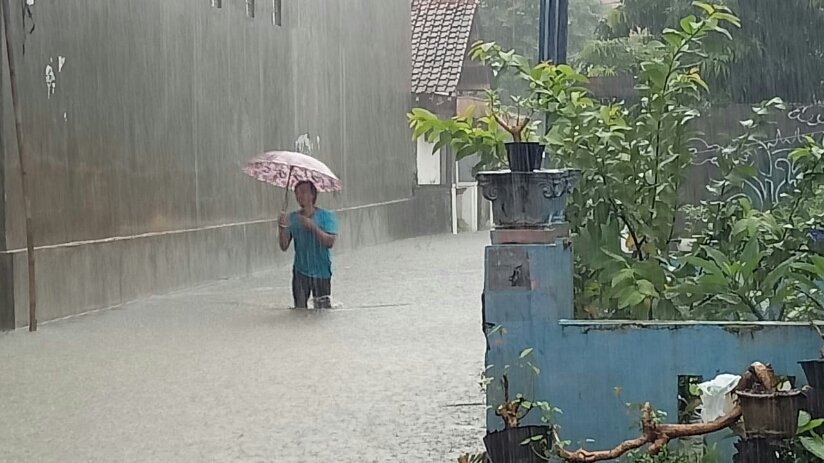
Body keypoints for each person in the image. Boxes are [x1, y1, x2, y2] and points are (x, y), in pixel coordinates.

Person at [278, 180, 339, 309]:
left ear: (313, 195)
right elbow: (284, 246)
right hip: (300, 271)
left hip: (321, 272)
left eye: (304, 192)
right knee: (299, 311)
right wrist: (281, 228)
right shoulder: (292, 218)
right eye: (297, 193)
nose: (300, 196)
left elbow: (330, 242)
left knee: (323, 311)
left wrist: (312, 226)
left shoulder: (326, 216)